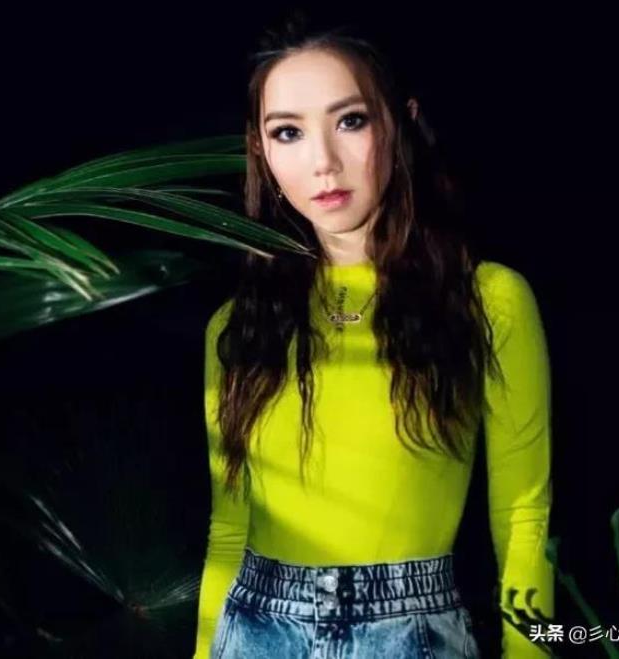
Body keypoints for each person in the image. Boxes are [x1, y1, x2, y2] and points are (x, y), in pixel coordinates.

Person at [194, 13, 554, 659]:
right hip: (253, 630)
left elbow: (523, 515)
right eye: (288, 132)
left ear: (400, 122)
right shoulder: (236, 324)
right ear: (261, 151)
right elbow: (229, 530)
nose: (323, 162)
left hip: (411, 634)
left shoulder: (488, 299)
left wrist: (532, 651)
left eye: (351, 120)